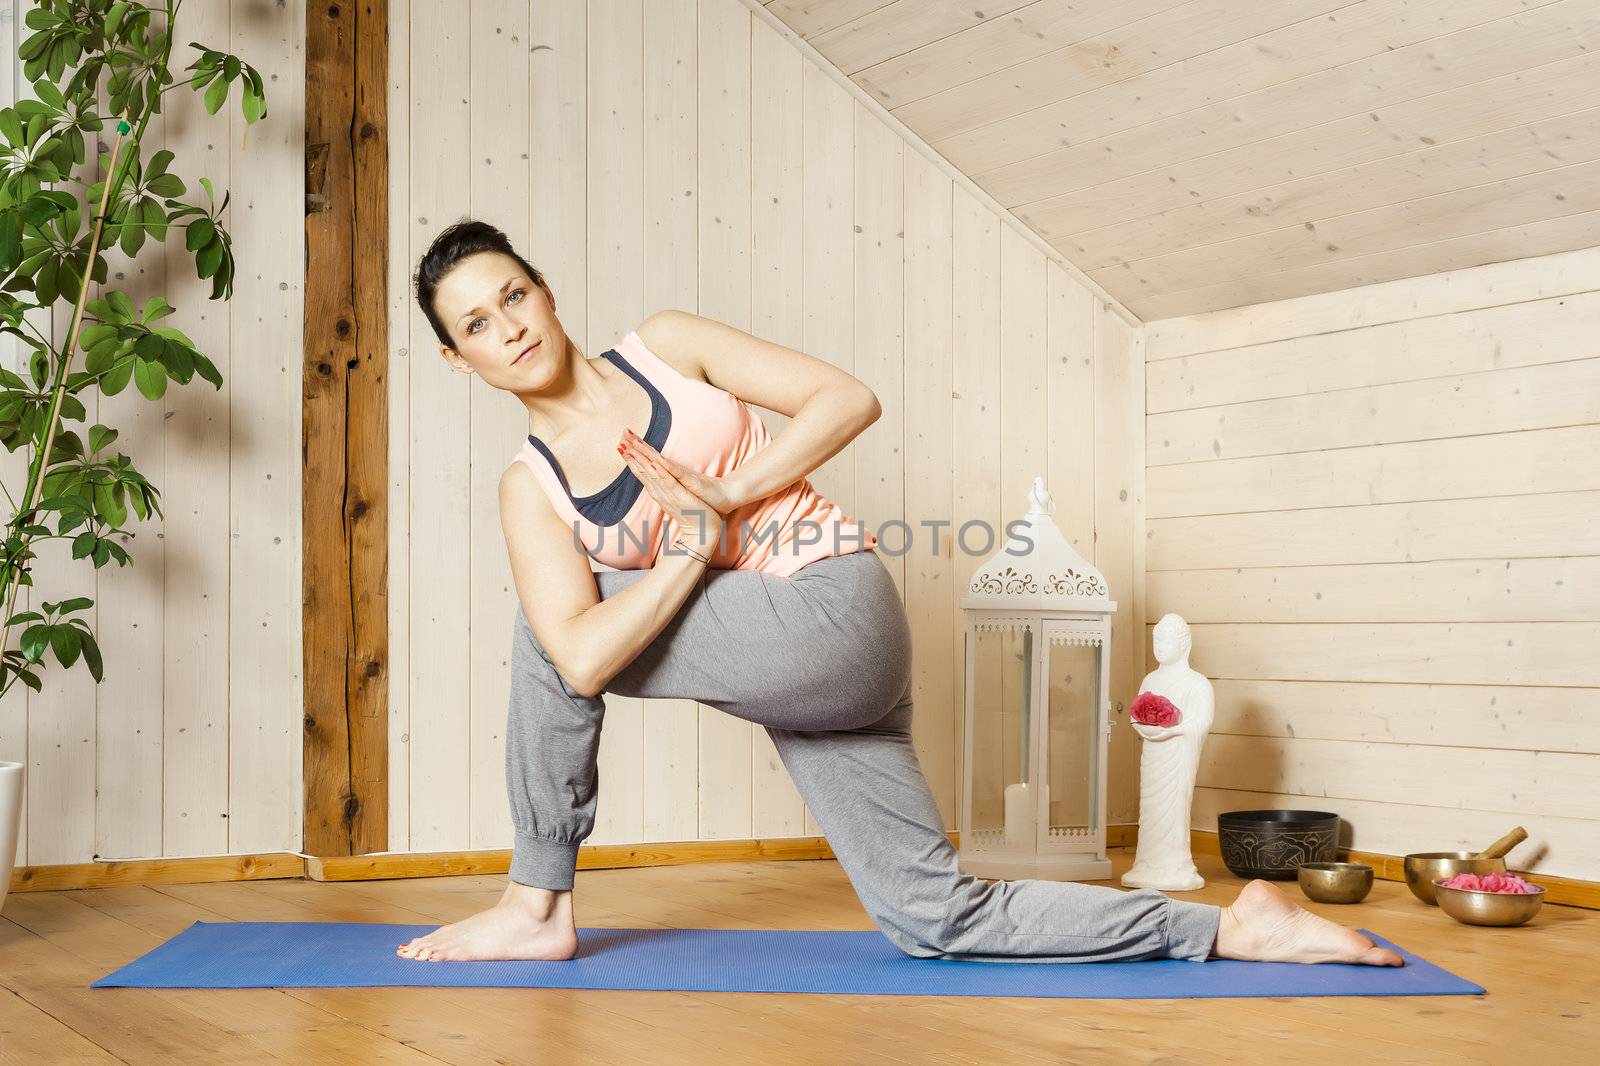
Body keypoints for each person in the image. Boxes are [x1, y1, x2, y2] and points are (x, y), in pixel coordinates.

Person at [393, 219, 1403, 970]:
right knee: (933, 916)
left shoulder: (665, 346)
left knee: (554, 621)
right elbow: (580, 663)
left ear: (546, 291)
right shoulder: (529, 491)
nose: (508, 326)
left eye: (514, 294)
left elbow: (847, 396)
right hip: (805, 678)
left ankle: (536, 900)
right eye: (477, 323)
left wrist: (728, 498)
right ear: (456, 356)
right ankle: (1235, 926)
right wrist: (686, 554)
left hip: (834, 610)